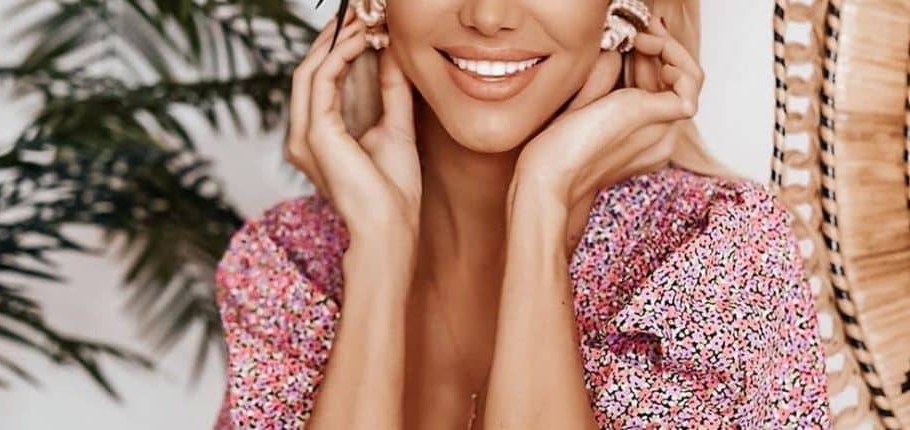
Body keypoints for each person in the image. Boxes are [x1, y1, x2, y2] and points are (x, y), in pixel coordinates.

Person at [212, 0, 831, 428]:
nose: (489, 16)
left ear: (624, 8)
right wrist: (376, 253)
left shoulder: (715, 248)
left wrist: (540, 202)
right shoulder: (288, 261)